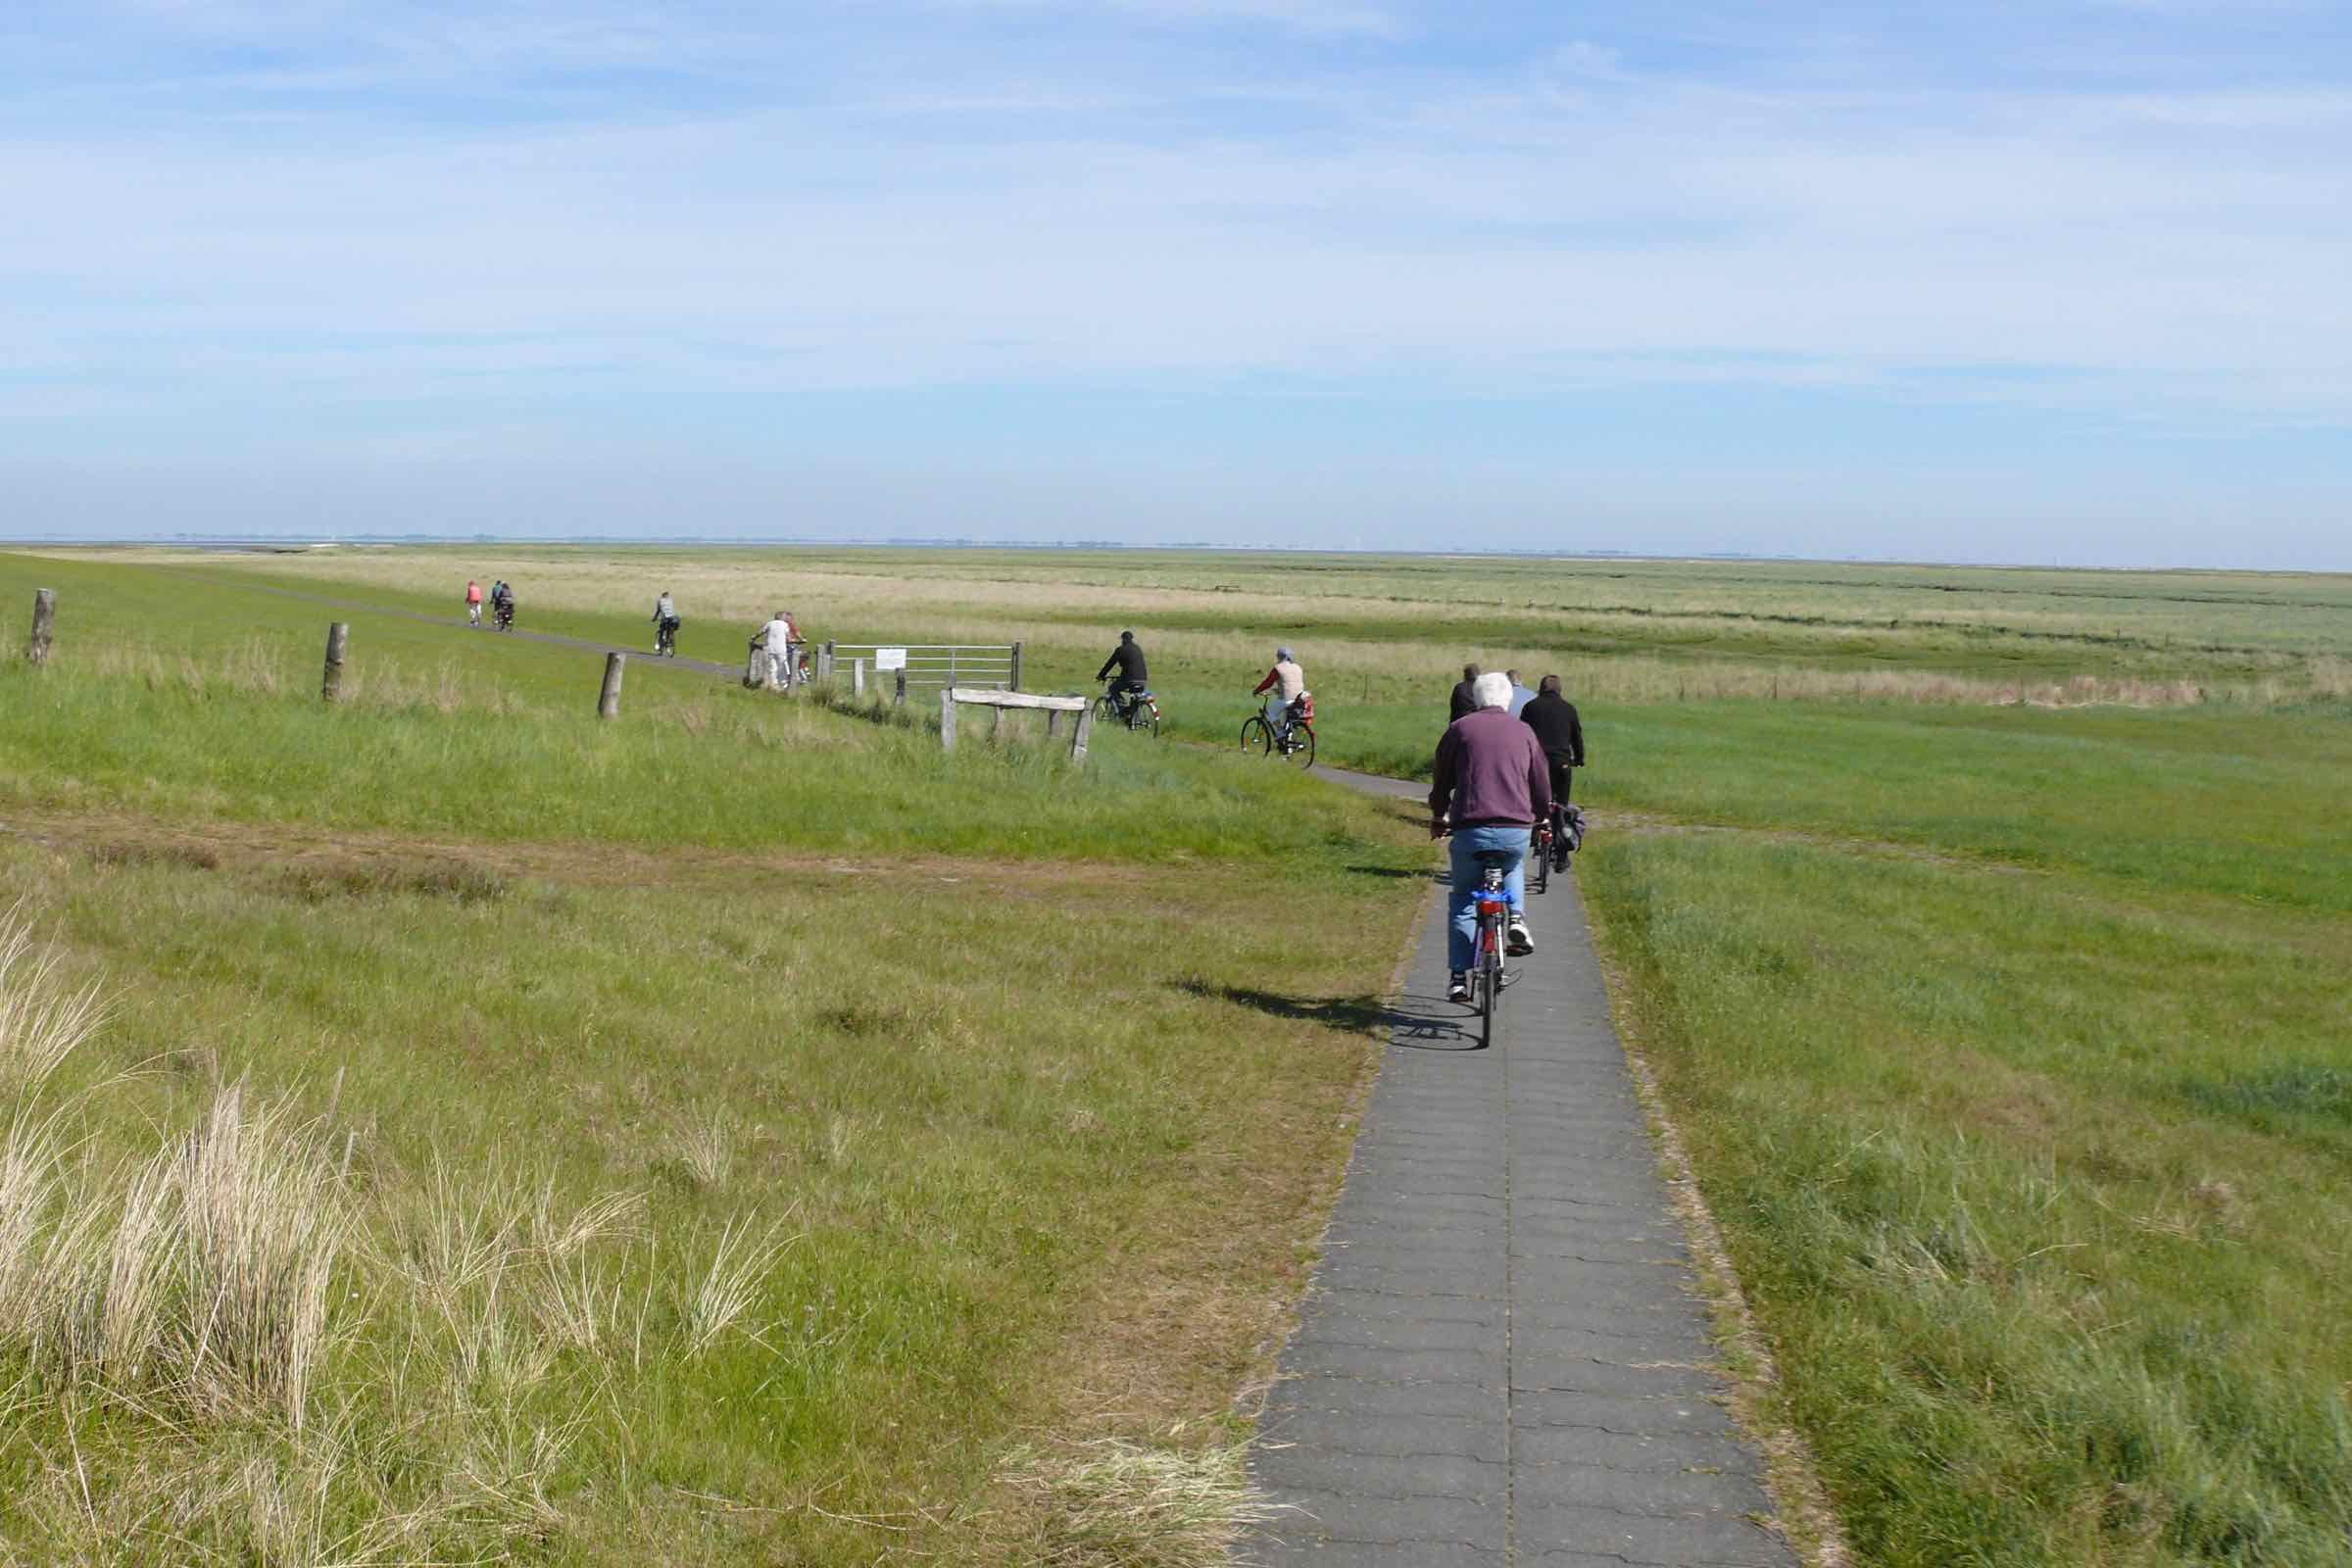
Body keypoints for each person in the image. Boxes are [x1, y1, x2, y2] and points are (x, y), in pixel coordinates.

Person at [1429, 671, 1550, 1004]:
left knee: (1464, 900)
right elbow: (1540, 782)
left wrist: (1438, 815)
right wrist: (1540, 815)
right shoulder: (1525, 731)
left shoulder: (1459, 729)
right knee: (1512, 867)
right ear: (1508, 700)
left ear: (1476, 699)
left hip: (1471, 827)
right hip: (1515, 828)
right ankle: (1518, 919)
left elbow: (1442, 781)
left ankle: (1457, 977)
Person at [1519, 674, 1586, 868]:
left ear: (1540, 689)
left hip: (1536, 763)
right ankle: (1562, 856)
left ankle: (1532, 833)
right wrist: (1579, 759)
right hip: (1561, 764)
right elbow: (1577, 738)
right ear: (1559, 690)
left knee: (1532, 799)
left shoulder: (1531, 707)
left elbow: (1521, 733)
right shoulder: (1569, 708)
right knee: (1562, 807)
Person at [1253, 646, 1308, 734]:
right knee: (1288, 720)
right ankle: (1288, 745)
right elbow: (1291, 684)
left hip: (1286, 700)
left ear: (1279, 656)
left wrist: (1257, 690)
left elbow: (1268, 682)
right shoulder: (1298, 667)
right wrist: (1277, 690)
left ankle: (1280, 733)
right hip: (1300, 699)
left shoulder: (1278, 668)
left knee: (1271, 712)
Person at [1096, 630, 1149, 718]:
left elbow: (1110, 664)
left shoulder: (1120, 649)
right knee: (1135, 697)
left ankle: (1123, 709)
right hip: (1143, 679)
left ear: (1123, 639)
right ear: (1131, 639)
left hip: (1129, 679)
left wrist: (1101, 675)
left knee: (1112, 688)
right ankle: (1132, 719)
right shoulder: (1137, 648)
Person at [752, 610, 795, 689]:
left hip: (770, 649)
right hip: (781, 649)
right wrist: (794, 640)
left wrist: (754, 637)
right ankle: (783, 685)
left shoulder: (769, 623)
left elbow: (761, 632)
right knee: (782, 667)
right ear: (782, 617)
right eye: (785, 617)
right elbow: (789, 639)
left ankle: (773, 685)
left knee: (773, 667)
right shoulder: (785, 625)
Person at [652, 591, 680, 655]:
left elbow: (658, 611)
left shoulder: (660, 601)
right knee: (671, 629)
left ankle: (661, 648)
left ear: (662, 596)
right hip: (674, 618)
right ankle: (670, 638)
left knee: (661, 630)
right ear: (668, 596)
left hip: (665, 619)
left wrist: (654, 618)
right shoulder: (671, 600)